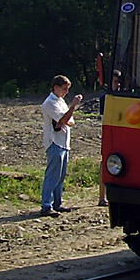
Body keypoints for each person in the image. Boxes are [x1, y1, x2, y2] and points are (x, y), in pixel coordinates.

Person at [40, 74, 82, 217]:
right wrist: (73, 107)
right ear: (56, 87)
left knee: (61, 175)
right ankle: (46, 205)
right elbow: (65, 118)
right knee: (52, 174)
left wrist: (65, 118)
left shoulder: (60, 102)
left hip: (64, 142)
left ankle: (57, 203)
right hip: (54, 142)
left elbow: (70, 121)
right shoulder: (49, 103)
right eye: (64, 89)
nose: (66, 92)